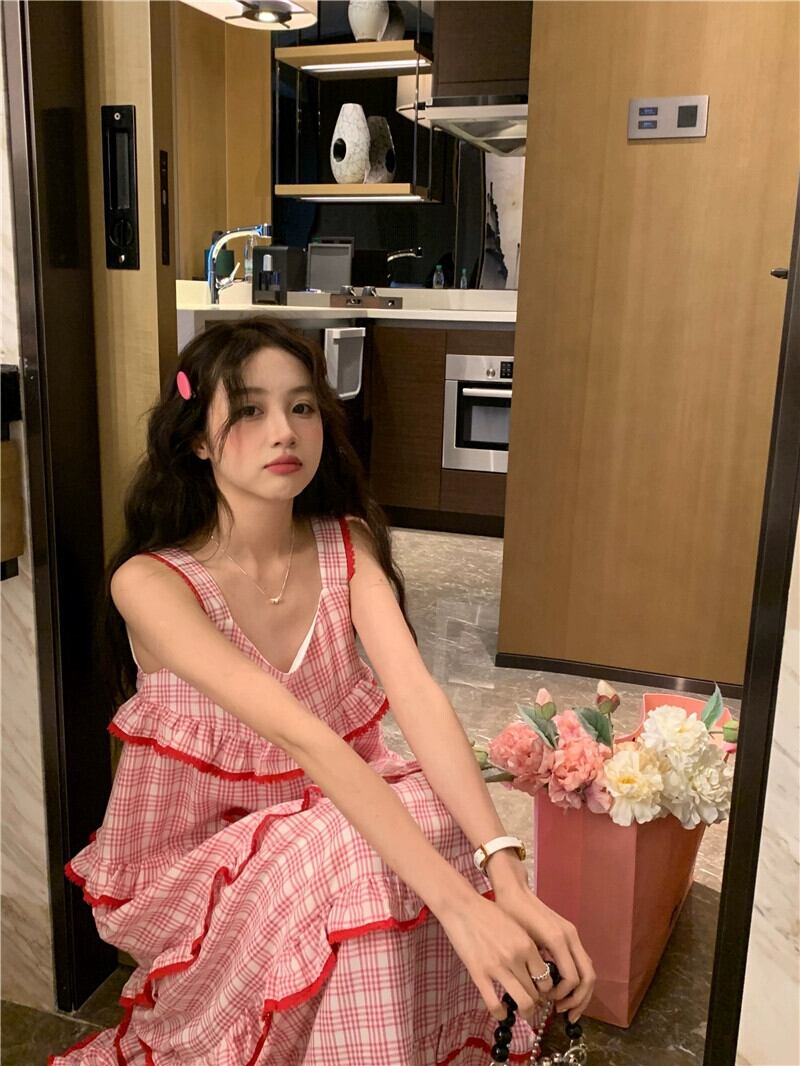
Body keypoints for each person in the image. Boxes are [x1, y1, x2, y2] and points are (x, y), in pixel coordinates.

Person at [49, 318, 594, 1065]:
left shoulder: (346, 543)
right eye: (250, 409)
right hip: (198, 862)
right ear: (198, 439)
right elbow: (304, 737)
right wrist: (461, 906)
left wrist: (507, 876)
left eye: (302, 406)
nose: (284, 431)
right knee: (359, 851)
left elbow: (418, 696)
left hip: (327, 815)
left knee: (429, 815)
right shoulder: (152, 583)